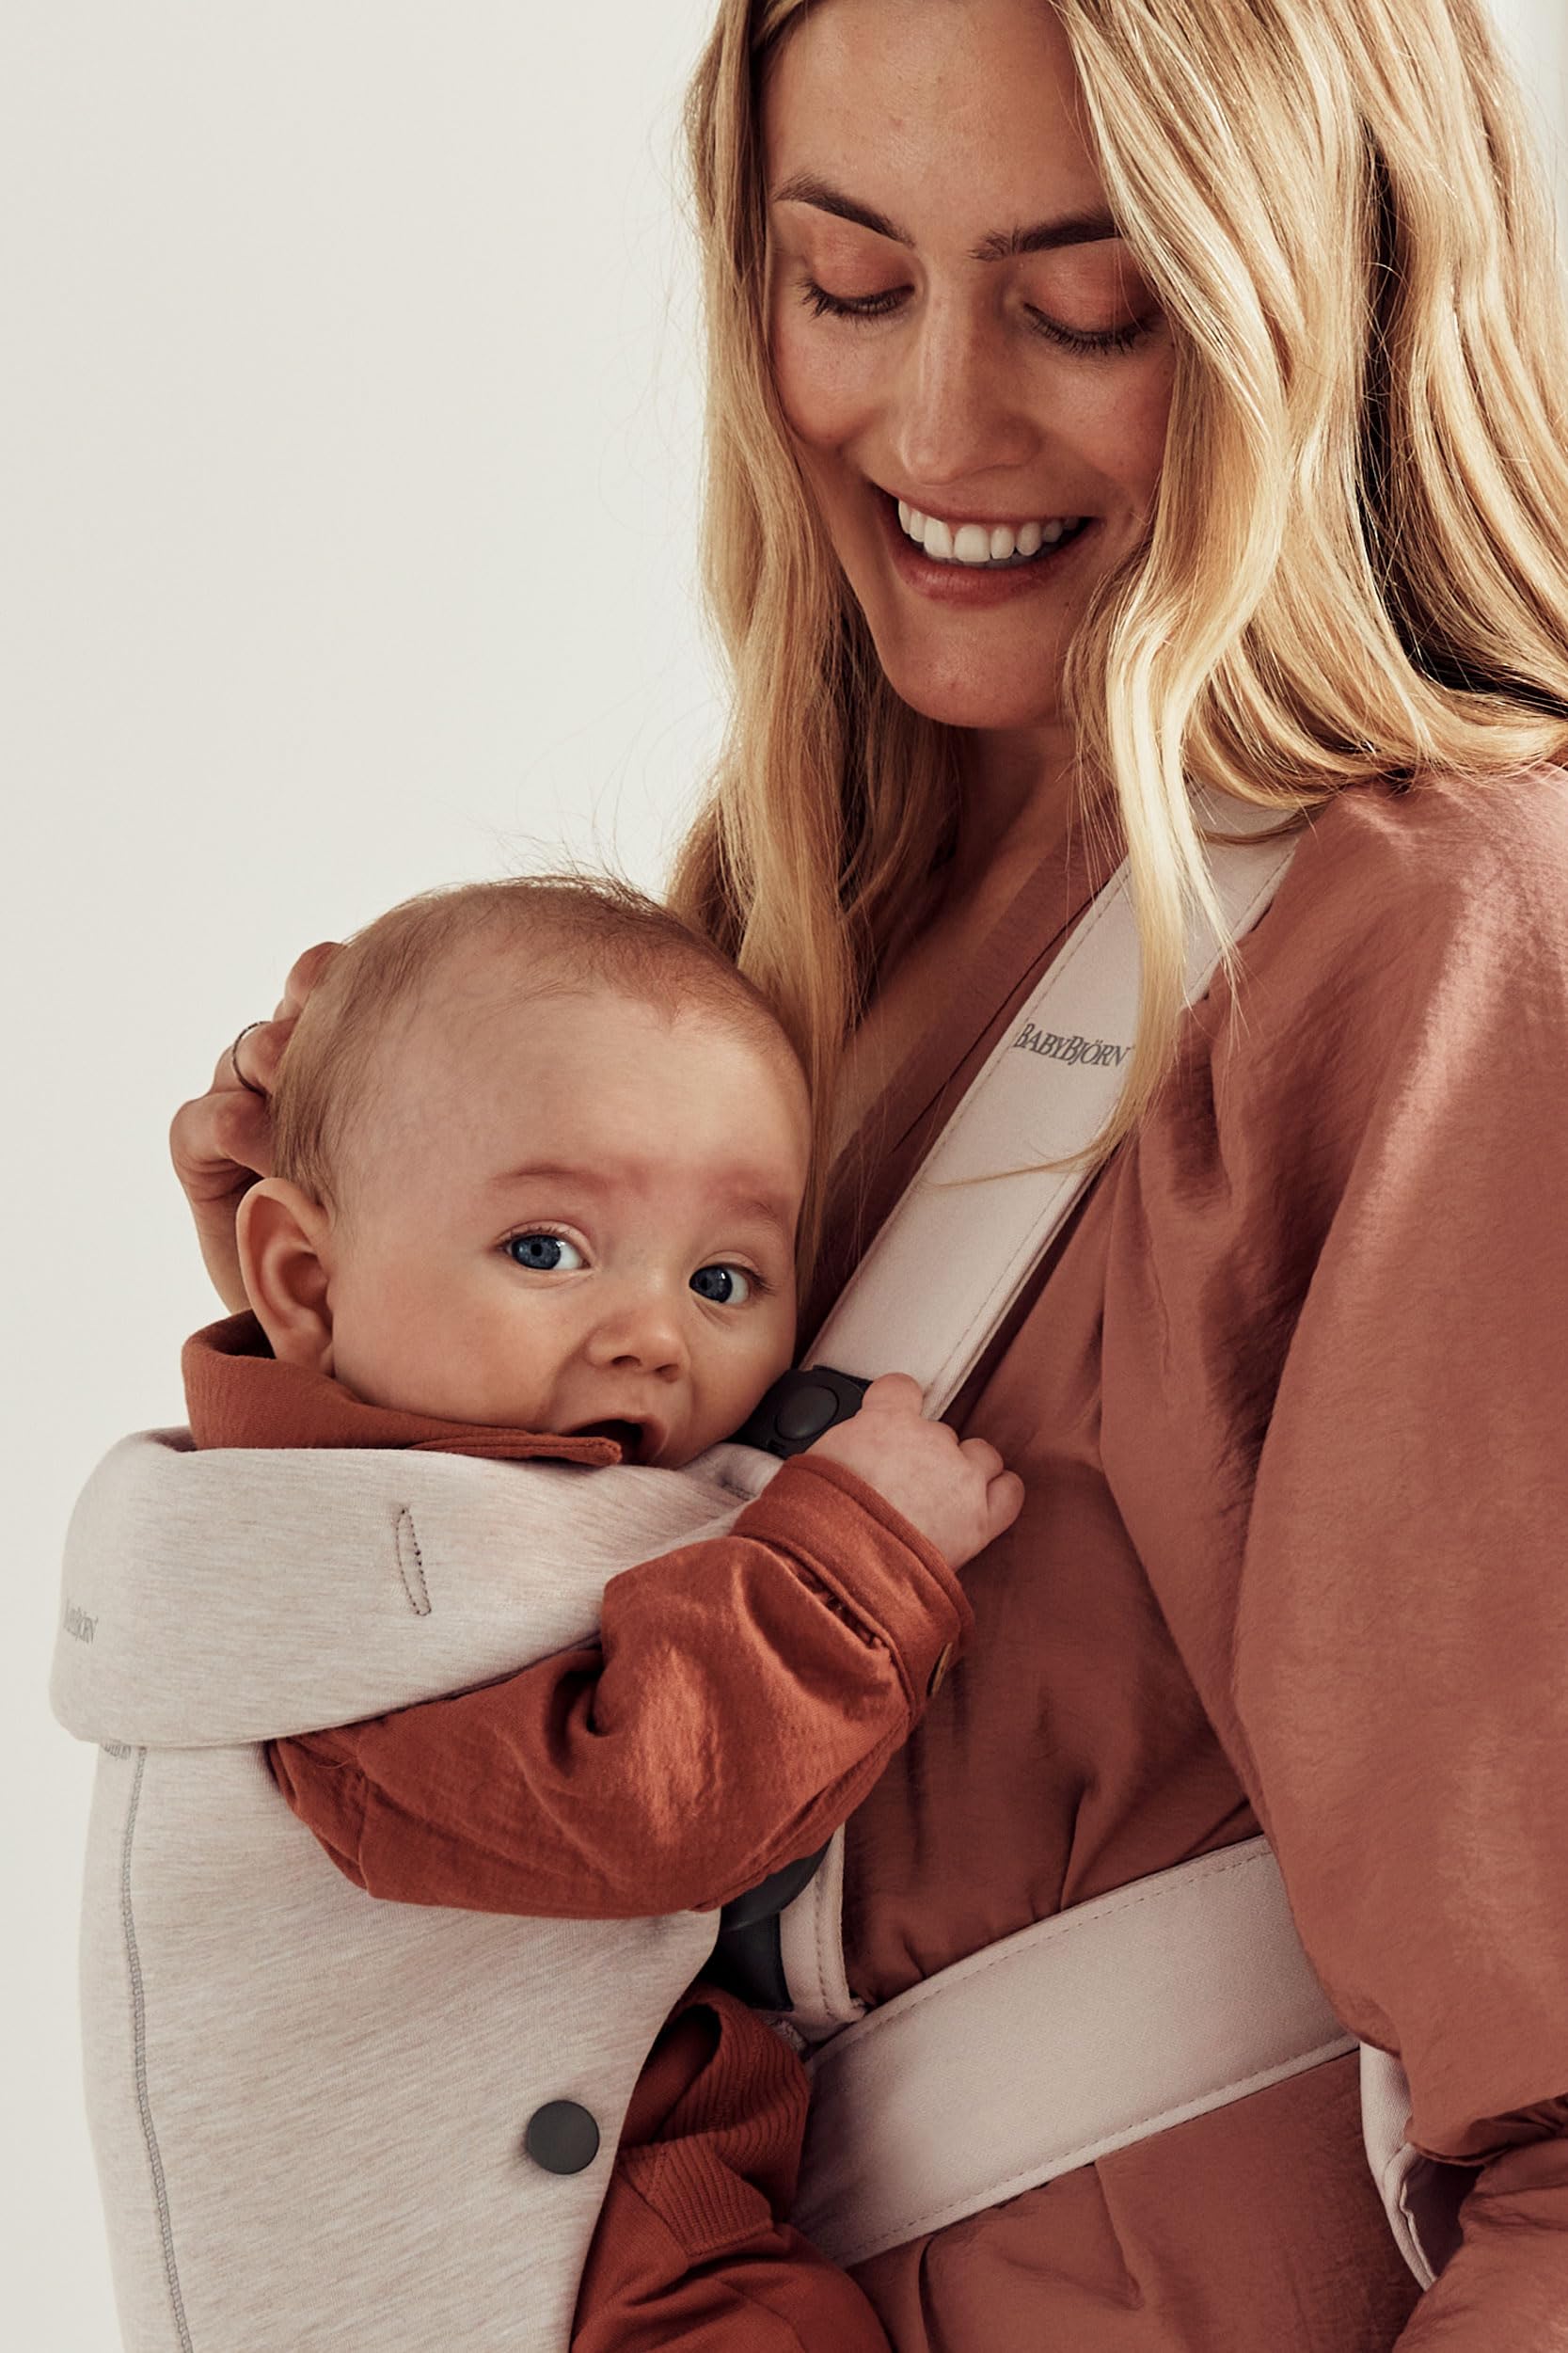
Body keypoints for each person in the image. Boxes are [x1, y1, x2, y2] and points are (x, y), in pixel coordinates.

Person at [170, 1, 1568, 2346]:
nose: (933, 430)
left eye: (1087, 306)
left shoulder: (1452, 955)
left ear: (1335, 303)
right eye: (848, 282)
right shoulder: (804, 929)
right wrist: (379, 1344)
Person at [168, 869, 1022, 2352]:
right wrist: (859, 1552)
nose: (652, 1335)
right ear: (303, 1279)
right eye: (546, 1250)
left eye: (724, 1275)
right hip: (529, 2253)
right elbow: (628, 1803)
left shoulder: (422, 1479)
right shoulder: (332, 1595)